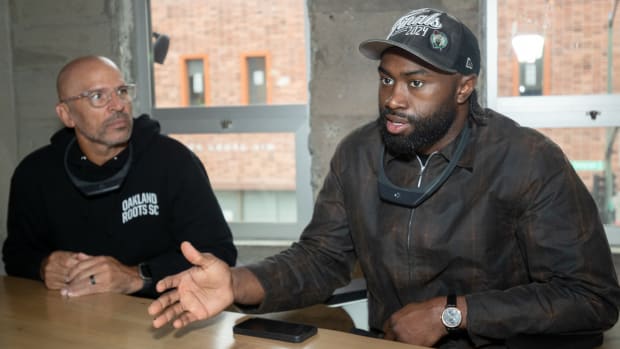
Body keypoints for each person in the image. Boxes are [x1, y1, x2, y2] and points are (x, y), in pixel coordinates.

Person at [147, 8, 620, 348]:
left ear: (464, 88)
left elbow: (591, 298)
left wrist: (451, 314)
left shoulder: (529, 160)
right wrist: (237, 282)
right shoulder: (358, 153)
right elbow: (320, 259)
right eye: (386, 79)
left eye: (415, 83)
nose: (394, 97)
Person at [2, 55, 237, 299]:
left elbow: (219, 255)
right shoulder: (34, 173)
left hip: (161, 319)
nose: (118, 105)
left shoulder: (173, 161)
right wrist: (43, 266)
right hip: (70, 321)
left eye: (122, 91)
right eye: (98, 96)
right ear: (67, 115)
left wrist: (138, 276)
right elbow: (16, 255)